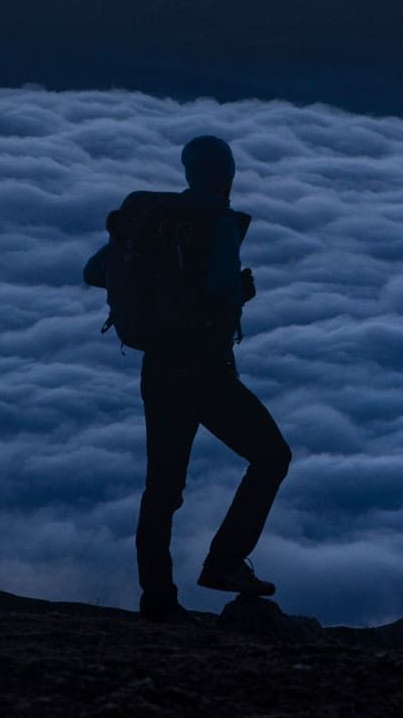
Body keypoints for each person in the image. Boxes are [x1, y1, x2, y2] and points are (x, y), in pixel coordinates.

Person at [83, 135, 291, 620]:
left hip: (157, 367)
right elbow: (221, 292)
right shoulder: (215, 222)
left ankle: (157, 599)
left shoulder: (153, 217)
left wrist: (152, 282)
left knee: (162, 488)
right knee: (271, 457)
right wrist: (240, 292)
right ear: (228, 176)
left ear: (188, 172)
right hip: (201, 368)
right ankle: (224, 562)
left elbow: (94, 271)